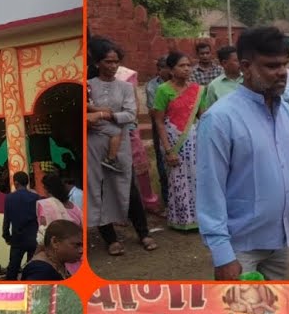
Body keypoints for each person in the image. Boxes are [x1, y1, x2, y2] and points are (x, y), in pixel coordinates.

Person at [197, 26, 289, 281]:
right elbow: (210, 192)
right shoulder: (220, 119)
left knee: (273, 313)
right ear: (246, 66)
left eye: (284, 65)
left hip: (280, 242)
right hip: (240, 248)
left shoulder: (287, 115)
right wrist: (222, 255)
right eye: (271, 66)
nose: (282, 73)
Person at [89, 40, 155, 256]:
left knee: (128, 188)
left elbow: (130, 114)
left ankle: (143, 233)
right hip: (95, 145)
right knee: (100, 191)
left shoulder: (126, 87)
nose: (113, 66)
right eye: (108, 61)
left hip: (121, 144)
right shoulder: (88, 86)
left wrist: (102, 115)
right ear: (98, 63)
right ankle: (111, 239)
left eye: (116, 61)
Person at [153, 51, 208, 232]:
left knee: (197, 178)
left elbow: (203, 117)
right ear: (171, 69)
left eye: (188, 65)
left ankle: (199, 218)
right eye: (181, 66)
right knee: (178, 180)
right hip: (173, 140)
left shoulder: (197, 90)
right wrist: (168, 150)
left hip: (193, 140)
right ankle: (181, 219)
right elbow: (159, 121)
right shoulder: (163, 90)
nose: (186, 69)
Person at [144, 56, 173, 207]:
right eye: (165, 69)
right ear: (159, 70)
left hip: (180, 125)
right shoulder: (152, 86)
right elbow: (154, 111)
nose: (168, 71)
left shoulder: (181, 83)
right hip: (160, 126)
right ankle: (168, 199)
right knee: (163, 161)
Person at [1, 171, 40, 280]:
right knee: (32, 268)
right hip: (33, 237)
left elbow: (7, 220)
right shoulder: (36, 197)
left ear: (16, 183)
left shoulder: (9, 198)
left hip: (17, 238)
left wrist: (6, 236)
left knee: (13, 268)